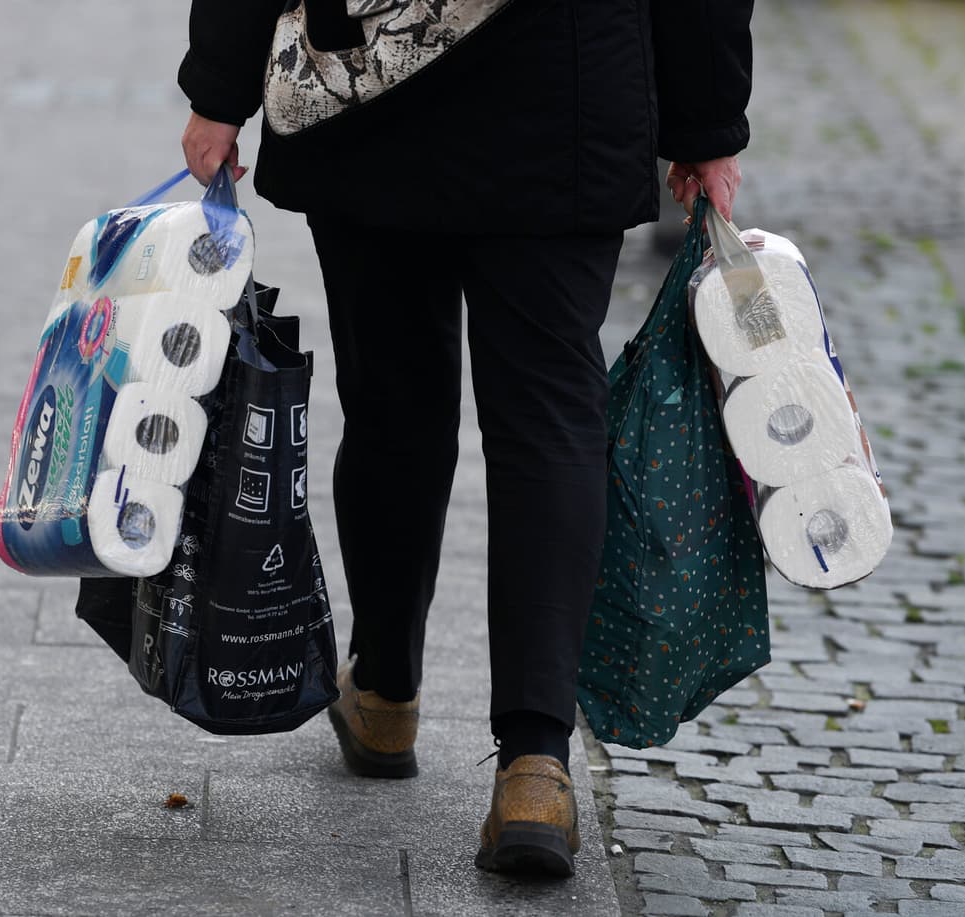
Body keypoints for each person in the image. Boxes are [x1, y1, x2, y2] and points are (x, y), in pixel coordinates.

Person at [178, 0, 753, 878]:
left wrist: (220, 85)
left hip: (370, 69)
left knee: (391, 396)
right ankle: (535, 763)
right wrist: (706, 115)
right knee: (551, 415)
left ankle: (384, 692)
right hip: (566, 79)